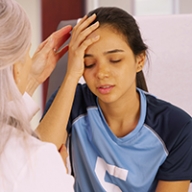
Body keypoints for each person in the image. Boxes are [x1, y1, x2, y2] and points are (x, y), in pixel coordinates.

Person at [37, 7, 192, 192]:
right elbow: (38, 163)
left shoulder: (178, 128)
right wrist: (71, 75)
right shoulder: (72, 103)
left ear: (139, 60)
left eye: (115, 60)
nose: (101, 73)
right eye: (89, 63)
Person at [0, 0, 74, 191]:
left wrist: (30, 79)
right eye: (26, 55)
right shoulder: (35, 161)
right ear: (17, 69)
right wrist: (56, 174)